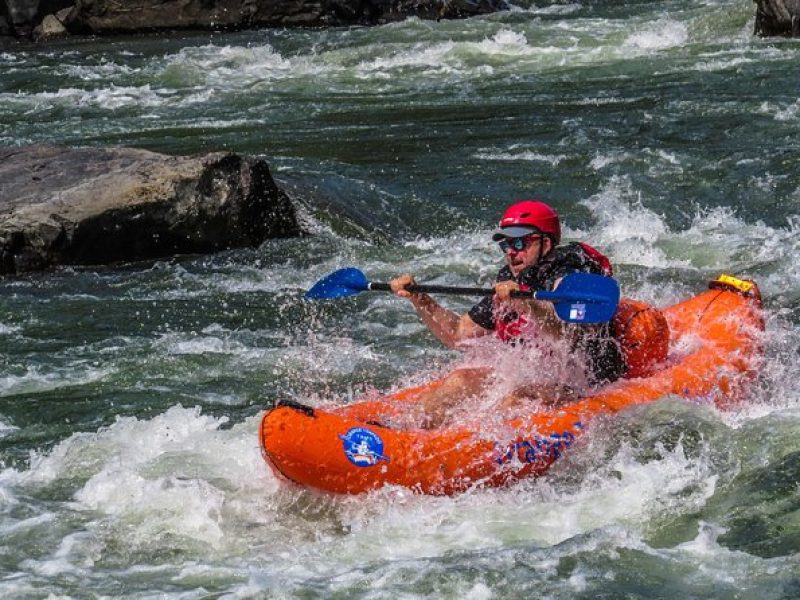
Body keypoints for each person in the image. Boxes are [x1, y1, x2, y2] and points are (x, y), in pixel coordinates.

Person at [390, 200, 625, 428]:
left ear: (546, 243)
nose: (512, 252)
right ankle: (406, 434)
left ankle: (469, 447)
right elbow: (458, 334)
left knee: (517, 397)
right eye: (507, 245)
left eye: (521, 244)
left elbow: (567, 334)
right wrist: (421, 300)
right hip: (538, 375)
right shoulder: (511, 281)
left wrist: (525, 303)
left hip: (586, 384)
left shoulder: (570, 272)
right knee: (458, 381)